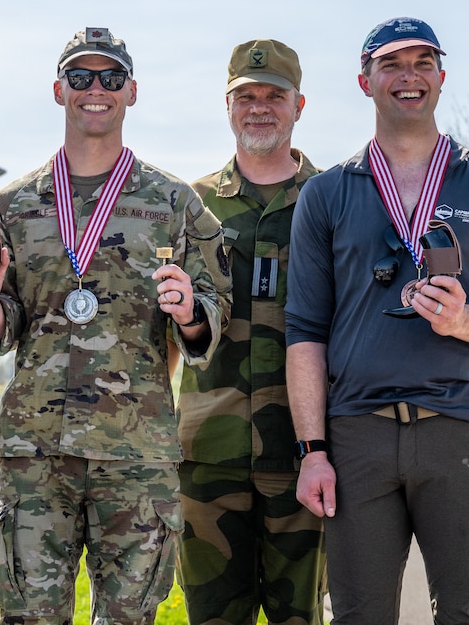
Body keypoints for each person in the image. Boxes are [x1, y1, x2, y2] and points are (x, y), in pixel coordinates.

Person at [0, 27, 233, 625]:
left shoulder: (175, 203)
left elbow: (214, 310)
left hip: (136, 453)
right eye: (81, 78)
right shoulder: (15, 205)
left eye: (110, 78)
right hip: (37, 452)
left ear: (132, 91)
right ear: (59, 91)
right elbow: (3, 332)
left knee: (130, 618)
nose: (95, 89)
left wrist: (188, 312)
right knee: (29, 616)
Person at [285, 17, 469, 624]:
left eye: (422, 63)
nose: (409, 77)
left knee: (468, 612)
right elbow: (305, 333)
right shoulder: (326, 194)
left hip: (463, 430)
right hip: (358, 435)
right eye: (392, 64)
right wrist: (313, 451)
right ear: (365, 80)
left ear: (441, 76)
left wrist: (467, 320)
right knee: (357, 614)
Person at [179, 39, 325, 625]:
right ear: (228, 104)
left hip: (303, 453)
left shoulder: (332, 199)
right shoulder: (191, 205)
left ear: (299, 105)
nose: (259, 107)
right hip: (209, 452)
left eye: (274, 96)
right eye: (247, 96)